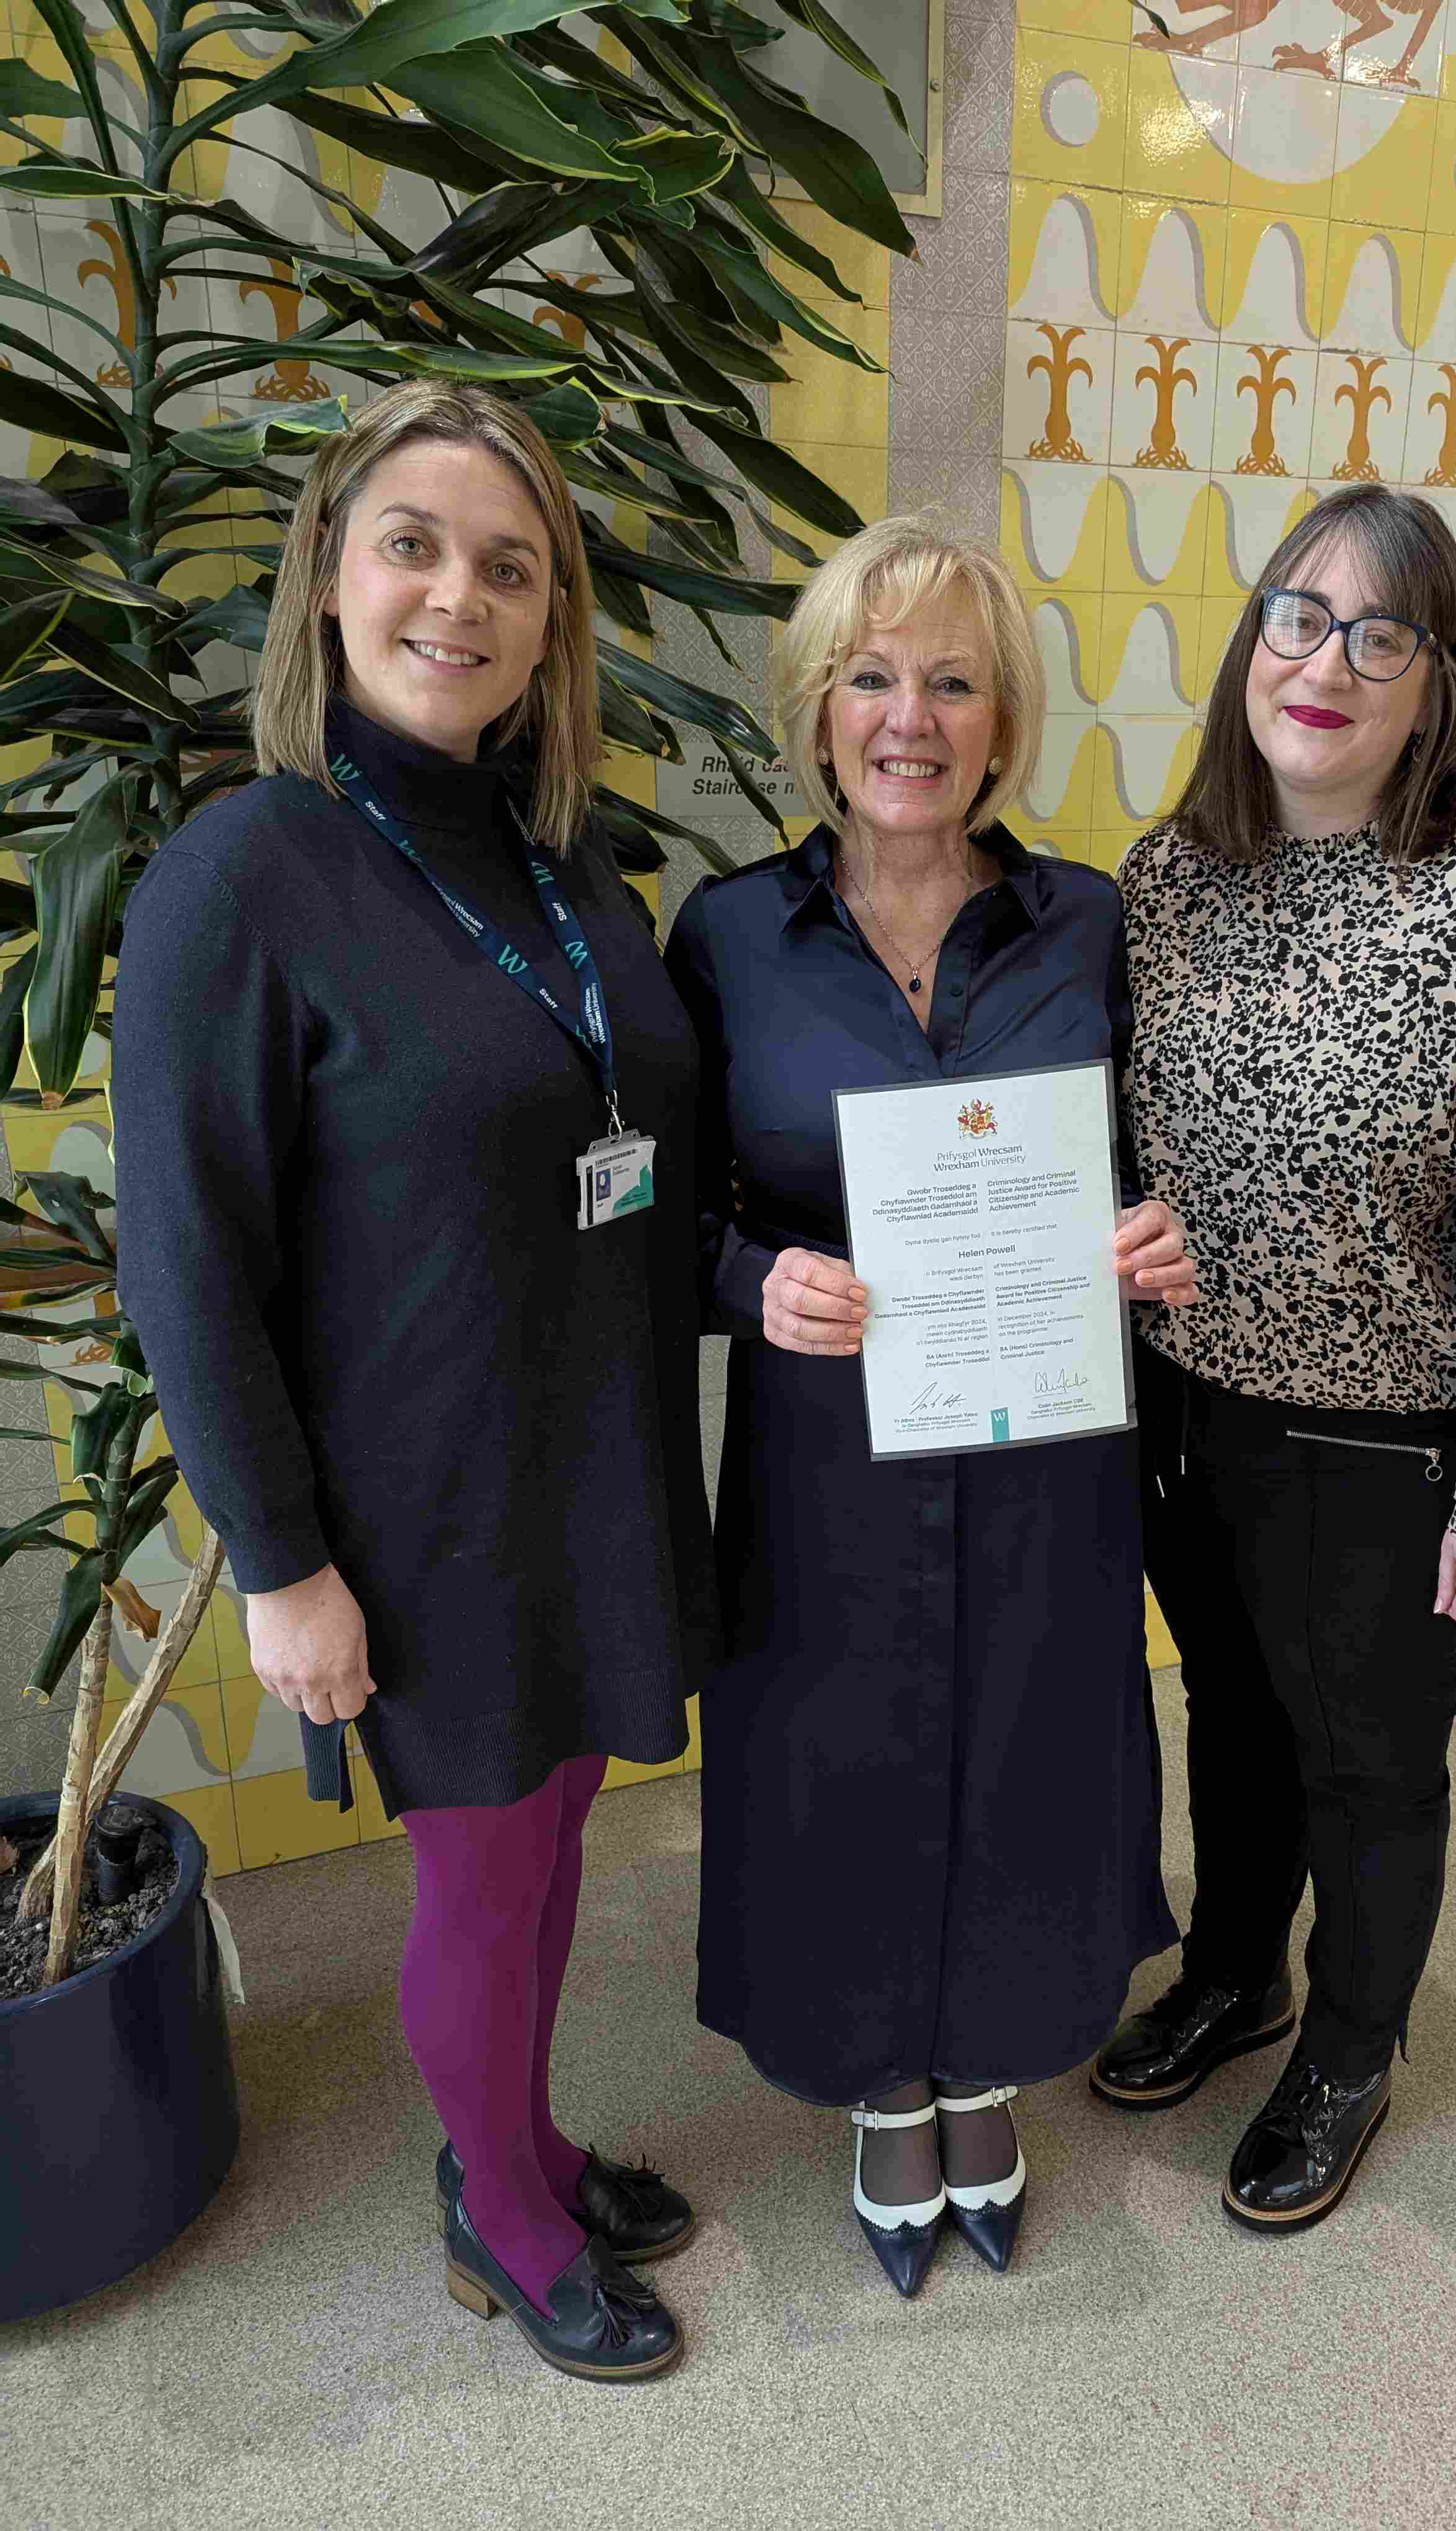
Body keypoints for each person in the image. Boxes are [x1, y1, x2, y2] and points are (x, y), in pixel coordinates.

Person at [114, 381, 717, 2381]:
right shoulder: (244, 874)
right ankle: (507, 2223)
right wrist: (282, 1567)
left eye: (508, 568)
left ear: (552, 628)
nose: (456, 596)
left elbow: (638, 1163)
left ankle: (521, 2138)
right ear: (330, 580)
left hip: (596, 1467)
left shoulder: (575, 871)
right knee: (478, 1865)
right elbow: (186, 1255)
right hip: (420, 1503)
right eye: (413, 546)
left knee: (547, 1836)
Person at [663, 516, 1196, 2297]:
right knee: (837, 1743)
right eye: (876, 677)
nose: (914, 715)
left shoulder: (1090, 925)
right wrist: (756, 1287)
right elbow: (669, 1215)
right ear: (821, 714)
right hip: (829, 1445)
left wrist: (1149, 1234)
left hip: (1045, 1434)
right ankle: (880, 2074)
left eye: (955, 681)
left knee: (1035, 1730)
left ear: (1001, 723)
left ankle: (985, 2058)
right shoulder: (732, 934)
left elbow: (1148, 1160)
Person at [1092, 484, 1456, 2233]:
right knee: (1230, 1722)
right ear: (1254, 644)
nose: (1326, 661)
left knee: (1368, 1765)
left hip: (1387, 1449)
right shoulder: (1173, 879)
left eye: (1380, 632)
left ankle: (1351, 2046)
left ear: (1434, 686)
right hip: (1187, 1410)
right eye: (1296, 616)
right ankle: (1238, 1969)